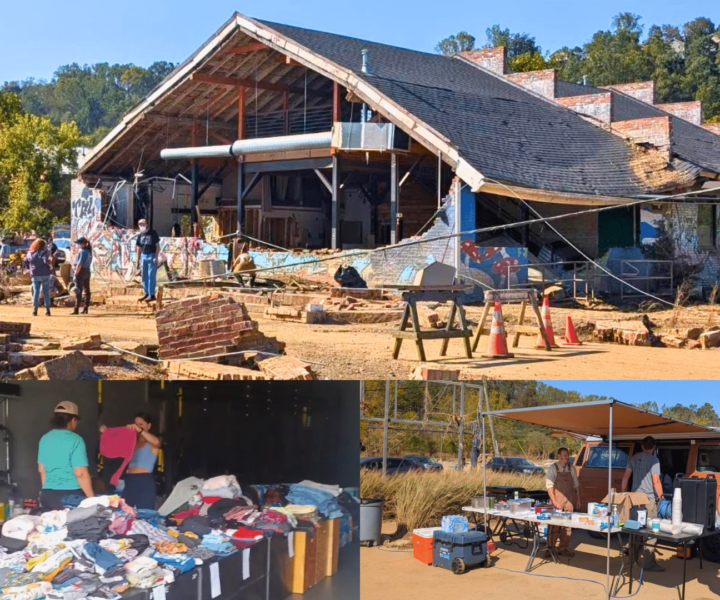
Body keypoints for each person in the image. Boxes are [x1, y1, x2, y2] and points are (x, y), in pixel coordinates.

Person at [38, 402, 95, 511]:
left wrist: (48, 491)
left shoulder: (45, 439)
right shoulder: (75, 439)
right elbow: (80, 472)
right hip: (69, 495)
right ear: (73, 420)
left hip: (47, 495)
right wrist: (91, 499)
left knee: (52, 526)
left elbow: (42, 470)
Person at [622, 436, 665, 572]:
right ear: (654, 447)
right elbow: (656, 481)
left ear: (642, 446)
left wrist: (624, 496)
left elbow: (625, 478)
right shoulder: (654, 460)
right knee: (650, 532)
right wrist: (662, 498)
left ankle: (632, 560)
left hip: (634, 499)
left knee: (635, 529)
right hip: (648, 500)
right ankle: (648, 563)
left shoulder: (634, 458)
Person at [100, 413, 160, 509]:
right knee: (127, 512)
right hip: (130, 480)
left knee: (145, 512)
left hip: (144, 481)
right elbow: (112, 446)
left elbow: (157, 442)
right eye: (135, 424)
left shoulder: (152, 443)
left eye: (141, 424)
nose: (137, 427)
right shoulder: (131, 442)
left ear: (149, 425)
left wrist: (139, 430)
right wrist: (106, 432)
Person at [545, 447, 582, 558]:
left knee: (567, 526)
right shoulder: (553, 468)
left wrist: (578, 499)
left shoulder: (572, 469)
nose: (567, 458)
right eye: (564, 455)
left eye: (568, 455)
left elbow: (576, 484)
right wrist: (555, 501)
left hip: (569, 501)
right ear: (559, 456)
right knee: (554, 525)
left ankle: (563, 548)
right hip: (557, 502)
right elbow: (549, 486)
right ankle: (549, 548)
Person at [23, 238, 53, 316]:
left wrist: (29, 269)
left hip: (34, 274)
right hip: (45, 273)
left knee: (36, 292)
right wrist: (50, 266)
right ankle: (47, 310)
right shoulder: (44, 252)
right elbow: (46, 261)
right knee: (46, 292)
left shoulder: (30, 253)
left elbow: (25, 261)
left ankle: (34, 310)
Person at [135, 219, 160, 302]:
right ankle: (146, 293)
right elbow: (138, 248)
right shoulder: (140, 235)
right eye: (139, 224)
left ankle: (151, 294)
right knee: (144, 276)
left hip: (151, 255)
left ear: (146, 224)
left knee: (151, 275)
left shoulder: (153, 233)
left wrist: (156, 257)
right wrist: (138, 260)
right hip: (143, 256)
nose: (141, 225)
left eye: (142, 223)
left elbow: (157, 246)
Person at [72, 237, 92, 315]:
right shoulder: (89, 251)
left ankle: (76, 308)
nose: (78, 245)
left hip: (81, 271)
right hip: (87, 271)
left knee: (78, 290)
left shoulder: (83, 252)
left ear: (83, 244)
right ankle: (86, 307)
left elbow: (79, 264)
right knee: (87, 290)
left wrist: (76, 274)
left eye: (79, 243)